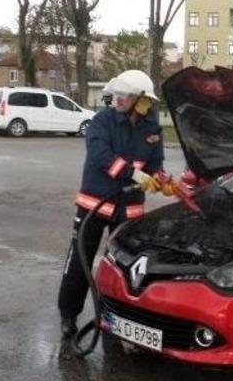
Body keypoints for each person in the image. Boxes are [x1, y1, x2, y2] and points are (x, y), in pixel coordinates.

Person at [57, 70, 171, 338]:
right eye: (119, 95)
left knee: (125, 271)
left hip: (128, 209)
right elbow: (101, 156)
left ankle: (117, 320)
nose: (119, 100)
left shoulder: (151, 127)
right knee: (79, 263)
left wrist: (159, 179)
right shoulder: (102, 121)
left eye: (126, 96)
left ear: (141, 100)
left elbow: (155, 164)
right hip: (94, 206)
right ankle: (68, 315)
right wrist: (134, 173)